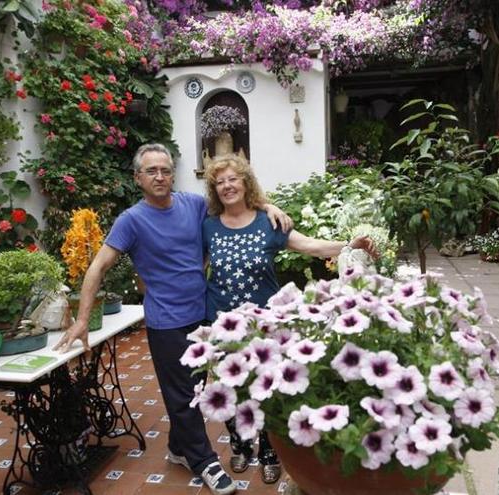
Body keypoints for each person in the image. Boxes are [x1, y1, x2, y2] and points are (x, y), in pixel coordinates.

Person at [54, 144, 292, 495]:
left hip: (204, 314)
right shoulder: (131, 220)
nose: (160, 176)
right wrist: (81, 319)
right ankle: (204, 460)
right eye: (151, 171)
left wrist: (267, 206)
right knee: (182, 394)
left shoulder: (193, 205)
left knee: (197, 387)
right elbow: (97, 267)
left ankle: (179, 448)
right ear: (138, 178)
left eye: (165, 170)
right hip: (166, 321)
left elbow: (235, 204)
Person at [202, 155, 378, 484]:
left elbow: (308, 245)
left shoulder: (268, 221)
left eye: (233, 179)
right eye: (220, 182)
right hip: (222, 320)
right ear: (214, 189)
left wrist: (347, 245)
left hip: (266, 323)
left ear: (245, 183)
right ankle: (240, 444)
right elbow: (196, 268)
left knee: (267, 388)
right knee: (229, 386)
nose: (227, 186)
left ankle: (270, 449)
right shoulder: (208, 225)